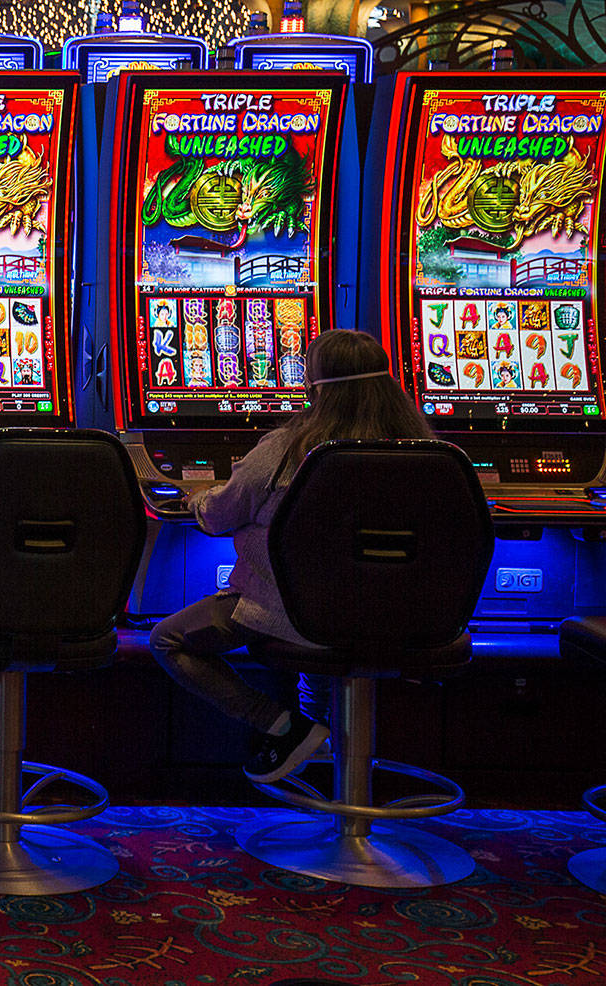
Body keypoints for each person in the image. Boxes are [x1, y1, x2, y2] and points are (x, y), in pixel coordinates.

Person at [150, 329, 433, 783]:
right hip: (401, 614)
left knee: (167, 639)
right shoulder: (427, 452)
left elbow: (220, 516)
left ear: (316, 387)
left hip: (296, 612)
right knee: (330, 628)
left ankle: (284, 728)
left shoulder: (288, 448)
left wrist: (196, 499)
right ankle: (333, 770)